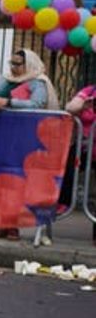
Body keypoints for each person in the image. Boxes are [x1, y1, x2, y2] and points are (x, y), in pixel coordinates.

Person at [0, 47, 59, 240]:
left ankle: (15, 226)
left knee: (17, 182)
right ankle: (4, 223)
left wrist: (8, 103)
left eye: (18, 64)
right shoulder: (7, 80)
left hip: (26, 140)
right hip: (3, 137)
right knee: (1, 181)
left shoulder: (38, 82)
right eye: (12, 63)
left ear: (29, 64)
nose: (13, 68)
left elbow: (37, 104)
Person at [60, 83, 96, 245]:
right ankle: (62, 202)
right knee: (65, 165)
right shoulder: (90, 91)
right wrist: (83, 105)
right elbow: (69, 107)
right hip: (84, 147)